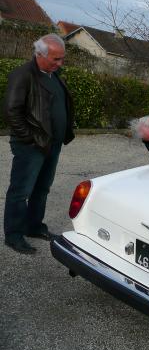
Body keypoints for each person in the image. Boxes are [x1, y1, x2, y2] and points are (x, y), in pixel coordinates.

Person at [3, 34, 74, 254]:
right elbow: (11, 112)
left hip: (52, 144)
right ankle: (13, 235)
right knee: (20, 191)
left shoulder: (54, 74)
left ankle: (33, 226)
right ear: (40, 54)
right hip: (32, 146)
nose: (60, 63)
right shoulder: (23, 75)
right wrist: (30, 139)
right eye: (55, 59)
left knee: (42, 188)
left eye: (62, 59)